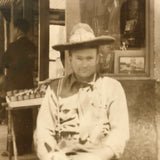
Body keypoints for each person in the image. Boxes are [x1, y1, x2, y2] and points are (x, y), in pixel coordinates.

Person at [35, 23, 129, 160]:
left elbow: (119, 133)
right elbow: (43, 131)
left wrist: (99, 156)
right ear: (70, 59)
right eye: (79, 58)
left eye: (89, 58)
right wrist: (51, 156)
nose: (84, 64)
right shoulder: (55, 89)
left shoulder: (113, 88)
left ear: (98, 58)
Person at [0, 18, 37, 155]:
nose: (14, 31)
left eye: (14, 29)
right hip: (28, 87)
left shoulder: (12, 46)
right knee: (27, 116)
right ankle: (27, 147)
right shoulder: (32, 46)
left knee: (14, 117)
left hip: (14, 88)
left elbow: (3, 64)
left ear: (18, 30)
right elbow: (33, 65)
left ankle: (14, 149)